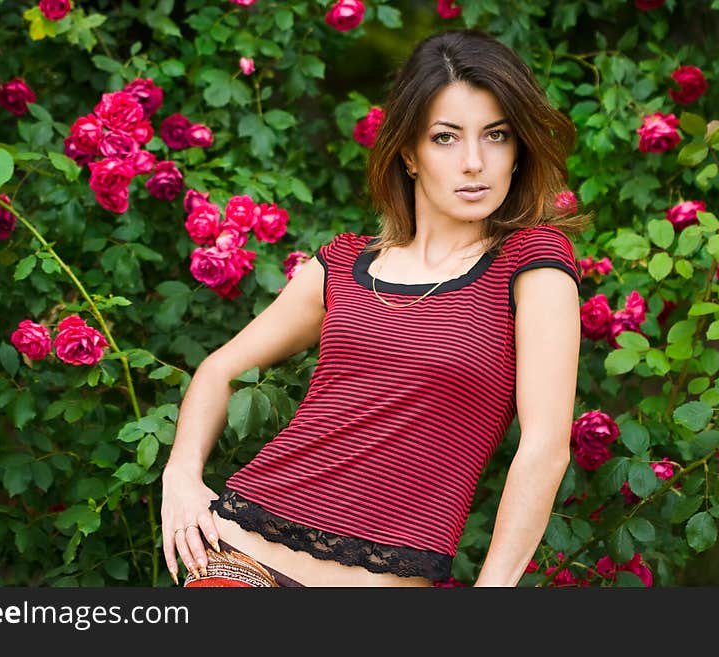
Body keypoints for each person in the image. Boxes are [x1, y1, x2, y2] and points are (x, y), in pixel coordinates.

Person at [160, 28, 590, 587]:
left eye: (497, 135)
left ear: (518, 148)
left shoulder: (533, 263)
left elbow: (545, 446)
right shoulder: (343, 264)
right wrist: (181, 474)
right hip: (241, 562)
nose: (474, 162)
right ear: (409, 153)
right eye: (446, 138)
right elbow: (221, 368)